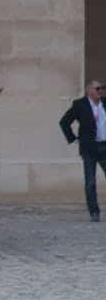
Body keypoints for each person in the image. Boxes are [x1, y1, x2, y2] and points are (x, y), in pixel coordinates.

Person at [60, 80, 106, 222]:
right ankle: (94, 212)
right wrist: (74, 139)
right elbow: (64, 122)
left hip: (104, 146)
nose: (101, 91)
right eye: (98, 88)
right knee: (90, 181)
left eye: (102, 88)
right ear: (89, 91)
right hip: (89, 149)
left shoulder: (105, 103)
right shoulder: (80, 105)